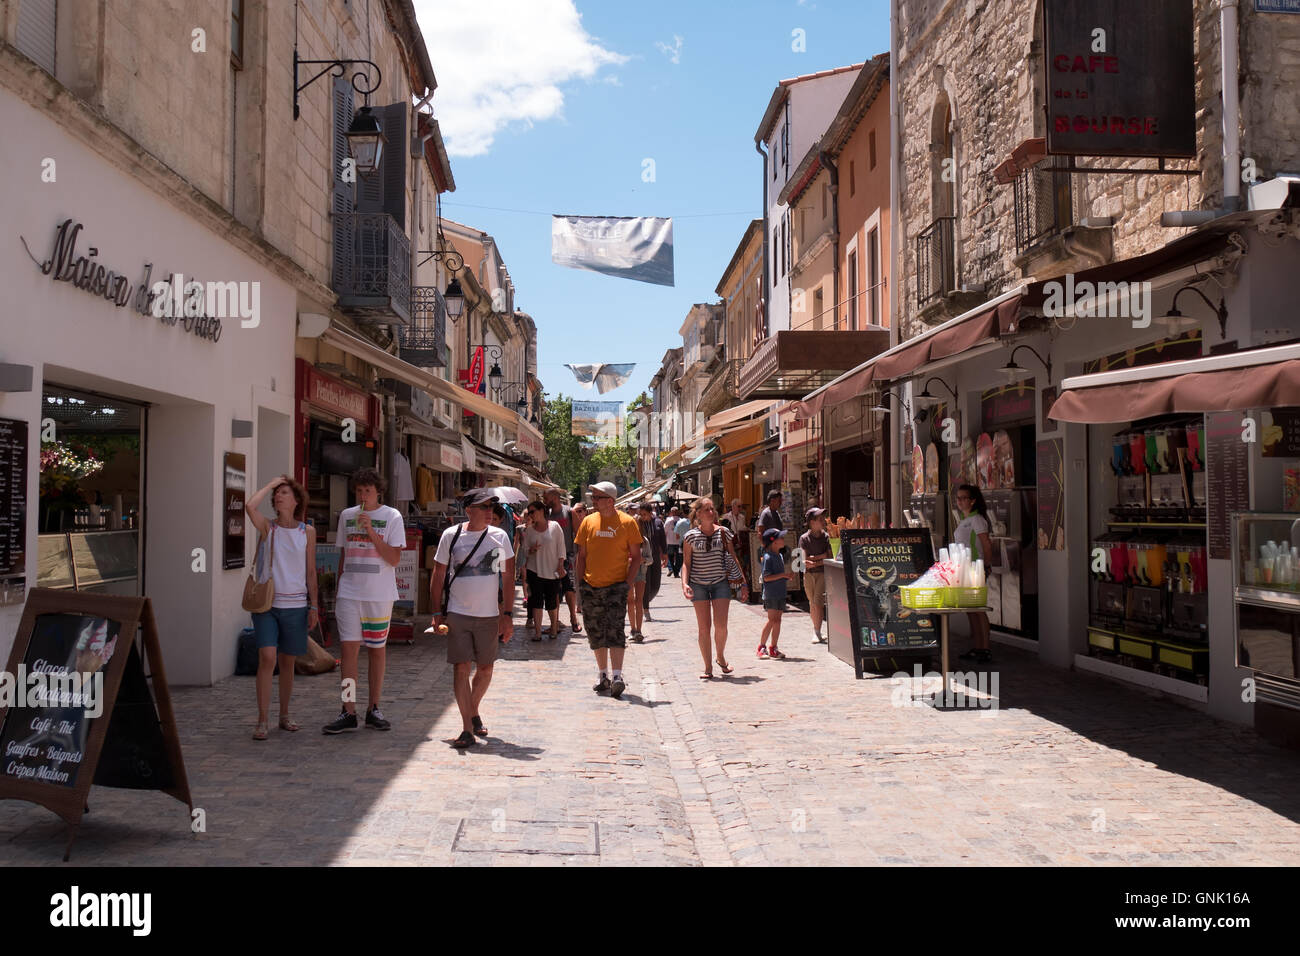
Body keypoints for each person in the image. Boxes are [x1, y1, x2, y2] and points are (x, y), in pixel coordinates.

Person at [429, 489, 516, 749]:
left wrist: (507, 615)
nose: (490, 512)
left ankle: (473, 710)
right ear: (469, 510)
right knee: (461, 668)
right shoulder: (451, 536)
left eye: (492, 507)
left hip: (489, 615)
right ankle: (467, 728)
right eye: (484, 507)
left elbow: (508, 577)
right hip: (458, 613)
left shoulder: (499, 537)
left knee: (486, 669)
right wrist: (436, 613)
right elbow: (438, 574)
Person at [323, 467, 404, 734]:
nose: (363, 495)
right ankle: (348, 709)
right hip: (350, 592)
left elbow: (393, 559)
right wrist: (339, 586)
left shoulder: (392, 516)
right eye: (359, 490)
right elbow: (344, 555)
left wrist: (371, 532)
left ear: (377, 491)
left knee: (377, 650)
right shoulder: (346, 516)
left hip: (379, 594)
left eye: (367, 490)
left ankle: (374, 707)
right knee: (348, 651)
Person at [244, 475, 316, 740]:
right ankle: (262, 719)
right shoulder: (268, 528)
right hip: (267, 604)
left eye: (284, 493)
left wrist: (314, 605)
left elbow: (310, 572)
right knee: (267, 659)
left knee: (288, 663)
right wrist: (270, 484)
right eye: (277, 494)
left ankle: (284, 714)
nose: (279, 497)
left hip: (296, 605)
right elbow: (250, 507)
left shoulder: (306, 531)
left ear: (296, 501)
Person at [574, 481, 642, 699]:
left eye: (597, 497)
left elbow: (637, 556)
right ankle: (602, 674)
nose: (593, 501)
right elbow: (581, 556)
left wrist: (627, 583)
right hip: (591, 586)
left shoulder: (627, 522)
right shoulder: (588, 522)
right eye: (592, 497)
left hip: (615, 586)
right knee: (595, 631)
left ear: (610, 501)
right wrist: (579, 586)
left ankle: (617, 676)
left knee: (615, 630)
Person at [682, 496, 749, 680]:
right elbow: (686, 563)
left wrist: (743, 583)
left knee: (721, 626)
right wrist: (685, 583)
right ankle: (708, 666)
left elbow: (733, 558)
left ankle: (720, 656)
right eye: (707, 510)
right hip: (698, 584)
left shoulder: (724, 533)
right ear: (698, 514)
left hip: (720, 583)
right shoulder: (690, 536)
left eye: (712, 509)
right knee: (704, 627)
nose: (711, 512)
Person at [954, 484, 995, 664]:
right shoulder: (964, 520)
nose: (960, 501)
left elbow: (986, 544)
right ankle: (977, 646)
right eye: (958, 498)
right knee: (971, 610)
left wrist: (986, 566)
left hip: (974, 568)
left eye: (964, 498)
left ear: (972, 501)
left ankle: (985, 648)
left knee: (978, 609)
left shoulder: (977, 519)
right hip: (964, 569)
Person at [521, 500, 566, 640]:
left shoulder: (555, 526)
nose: (531, 515)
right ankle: (538, 632)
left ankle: (553, 628)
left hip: (552, 570)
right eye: (529, 513)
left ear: (541, 511)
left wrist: (560, 564)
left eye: (533, 512)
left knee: (552, 602)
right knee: (536, 601)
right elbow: (525, 551)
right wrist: (531, 550)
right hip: (534, 570)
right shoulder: (528, 530)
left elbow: (561, 547)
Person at [544, 488, 582, 632]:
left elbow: (579, 534)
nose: (544, 501)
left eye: (546, 498)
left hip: (568, 555)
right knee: (553, 591)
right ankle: (555, 622)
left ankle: (573, 618)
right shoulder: (546, 514)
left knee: (569, 589)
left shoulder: (569, 512)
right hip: (550, 557)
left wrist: (578, 555)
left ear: (555, 498)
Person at [759, 527, 793, 660]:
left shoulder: (778, 555)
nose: (783, 539)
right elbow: (766, 577)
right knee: (772, 620)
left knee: (778, 620)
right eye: (781, 537)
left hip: (780, 592)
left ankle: (773, 647)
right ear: (773, 542)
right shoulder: (768, 557)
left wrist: (786, 576)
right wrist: (783, 575)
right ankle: (762, 646)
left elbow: (777, 575)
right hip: (771, 593)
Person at [799, 507, 831, 644]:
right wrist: (820, 558)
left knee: (818, 603)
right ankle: (816, 630)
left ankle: (816, 632)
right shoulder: (804, 538)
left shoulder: (826, 537)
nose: (823, 521)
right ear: (812, 522)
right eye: (820, 519)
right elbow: (803, 561)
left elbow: (829, 556)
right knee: (812, 603)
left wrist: (815, 559)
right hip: (808, 575)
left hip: (822, 574)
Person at [626, 506, 652, 642]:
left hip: (641, 573)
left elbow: (650, 559)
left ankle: (639, 630)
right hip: (628, 573)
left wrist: (643, 560)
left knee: (639, 601)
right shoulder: (624, 541)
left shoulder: (645, 541)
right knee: (630, 601)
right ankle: (632, 629)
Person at [638, 502, 666, 625]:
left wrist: (665, 554)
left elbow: (662, 540)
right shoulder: (638, 523)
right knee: (646, 583)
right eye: (641, 514)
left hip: (655, 556)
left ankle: (643, 601)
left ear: (650, 513)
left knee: (656, 585)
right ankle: (645, 609)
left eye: (645, 514)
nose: (642, 516)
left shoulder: (658, 523)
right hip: (644, 557)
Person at [664, 506, 684, 577]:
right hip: (678, 542)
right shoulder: (681, 520)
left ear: (671, 512)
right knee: (679, 558)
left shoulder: (668, 520)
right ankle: (676, 571)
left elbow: (665, 531)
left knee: (671, 557)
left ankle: (672, 569)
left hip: (670, 541)